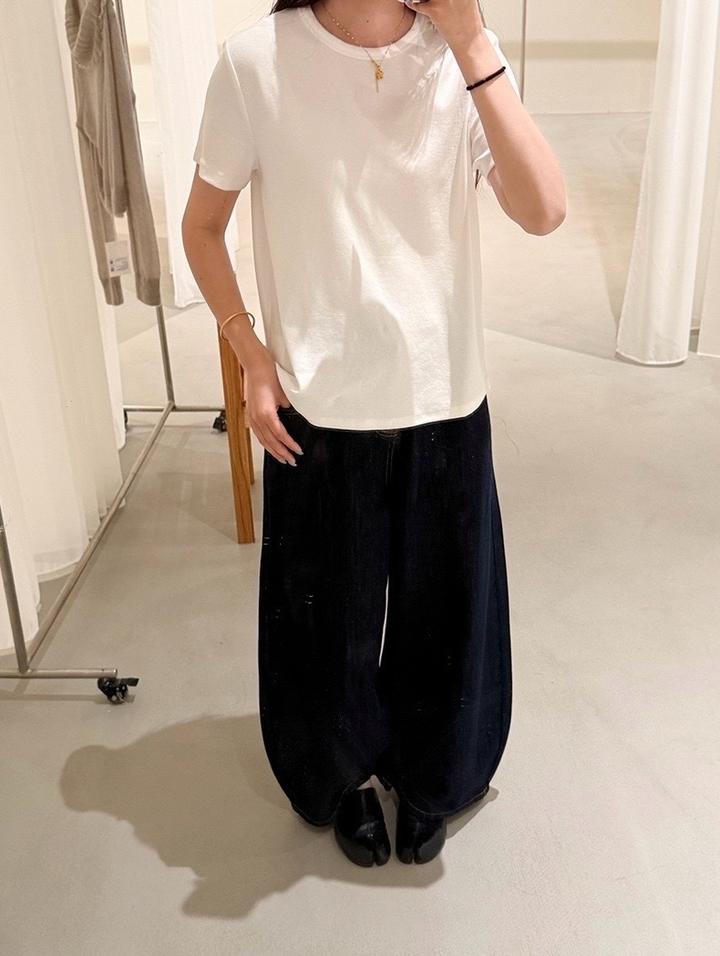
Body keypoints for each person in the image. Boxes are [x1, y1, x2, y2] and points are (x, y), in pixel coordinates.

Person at [182, 0, 566, 867]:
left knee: (450, 620)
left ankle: (436, 774)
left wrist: (470, 39)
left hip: (445, 394)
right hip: (320, 405)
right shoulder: (256, 61)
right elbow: (202, 227)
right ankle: (342, 774)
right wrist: (251, 355)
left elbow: (544, 209)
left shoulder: (459, 54)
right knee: (324, 625)